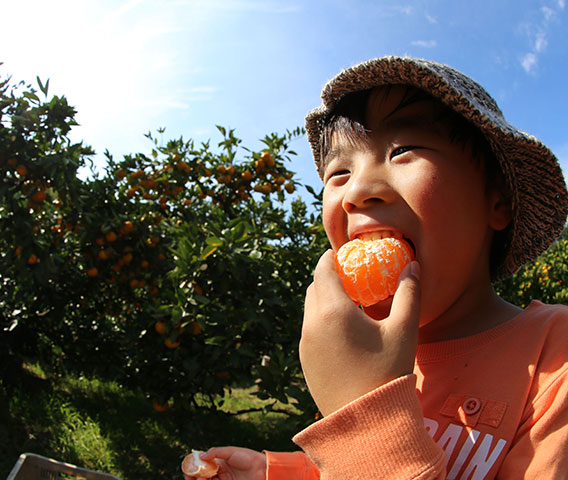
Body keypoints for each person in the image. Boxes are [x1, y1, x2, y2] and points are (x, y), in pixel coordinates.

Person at [184, 57, 568, 479]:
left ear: (497, 201)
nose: (357, 192)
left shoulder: (556, 359)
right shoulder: (366, 348)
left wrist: (367, 408)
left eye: (403, 150)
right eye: (339, 172)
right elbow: (354, 464)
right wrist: (278, 472)